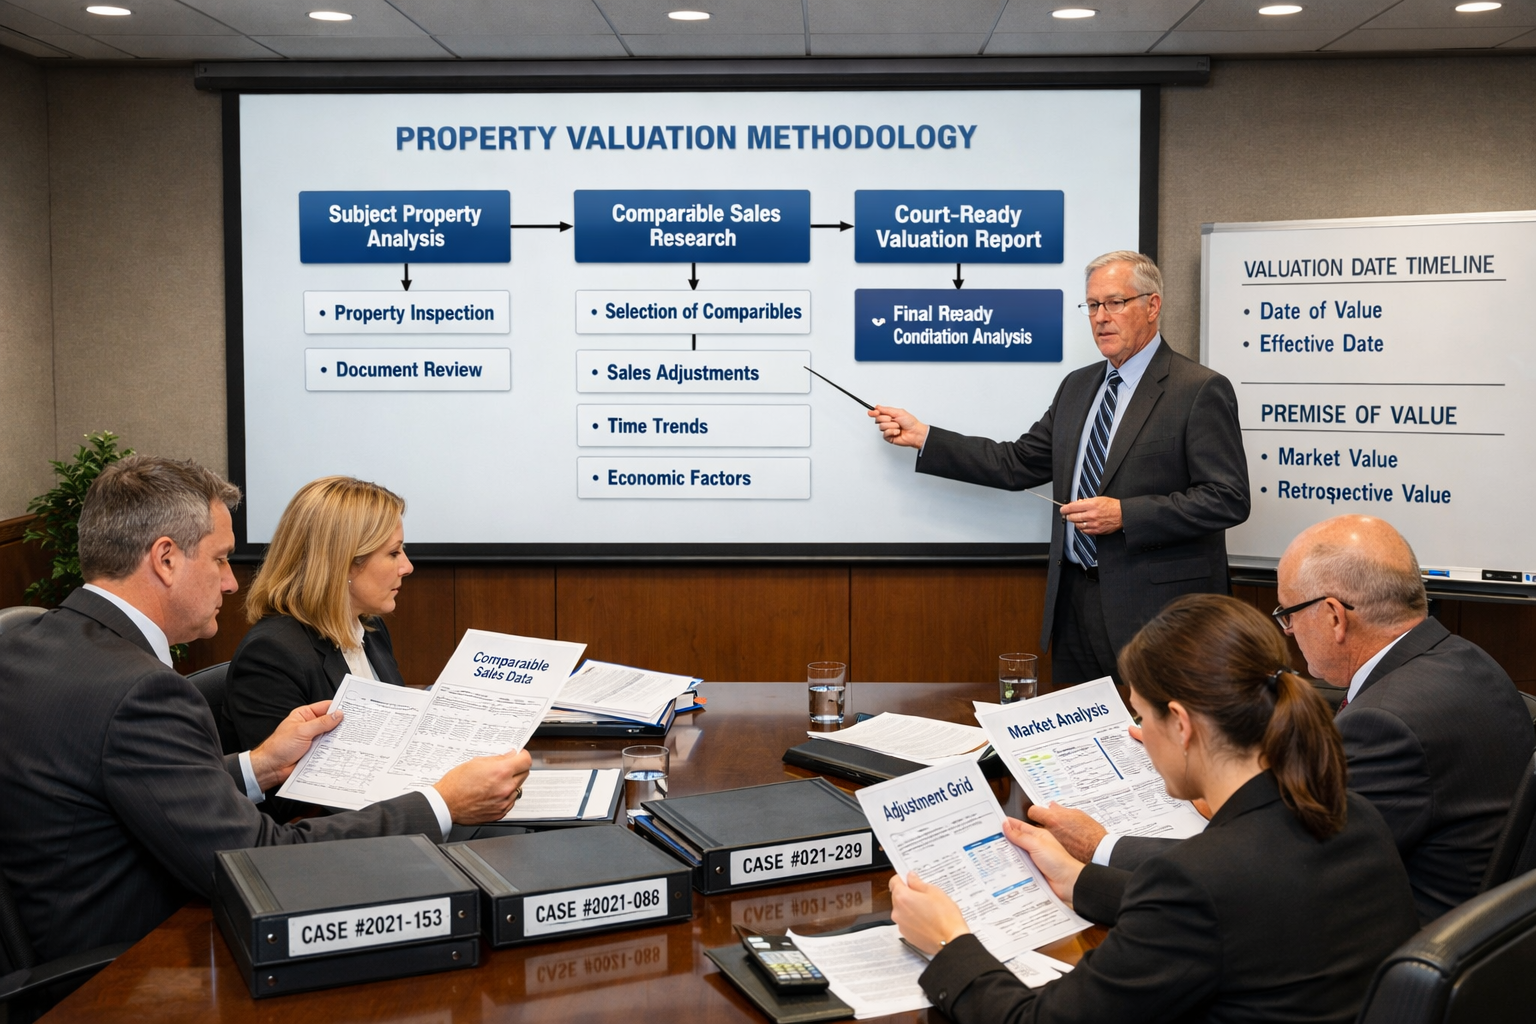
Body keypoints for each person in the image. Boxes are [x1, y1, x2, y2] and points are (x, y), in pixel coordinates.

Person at [0, 456, 531, 980]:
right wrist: (442, 803)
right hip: (133, 969)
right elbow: (258, 863)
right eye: (220, 560)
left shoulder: (29, 642)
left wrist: (257, 765)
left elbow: (136, 782)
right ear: (165, 559)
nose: (231, 583)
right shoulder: (143, 691)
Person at [890, 594, 1419, 1024]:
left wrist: (947, 941)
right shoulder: (1352, 816)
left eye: (1142, 717)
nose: (1140, 736)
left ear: (1182, 724)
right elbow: (1238, 910)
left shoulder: (1199, 880)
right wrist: (1079, 880)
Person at [1036, 515, 1534, 923]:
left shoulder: (1385, 724)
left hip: (1385, 956)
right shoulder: (1464, 660)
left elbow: (1266, 876)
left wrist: (1102, 847)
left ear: (1335, 616)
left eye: (1289, 612)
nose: (1288, 630)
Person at [870, 251, 1249, 684]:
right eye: (1093, 305)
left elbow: (1228, 498)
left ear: (1152, 306)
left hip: (1158, 615)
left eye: (1115, 303)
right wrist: (925, 436)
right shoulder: (1078, 386)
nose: (1101, 317)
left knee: (1152, 728)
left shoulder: (1198, 389)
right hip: (1074, 605)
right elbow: (1017, 463)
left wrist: (1125, 514)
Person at [225, 476, 413, 754]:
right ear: (343, 562)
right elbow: (284, 779)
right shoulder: (271, 655)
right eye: (394, 552)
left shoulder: (371, 629)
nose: (407, 567)